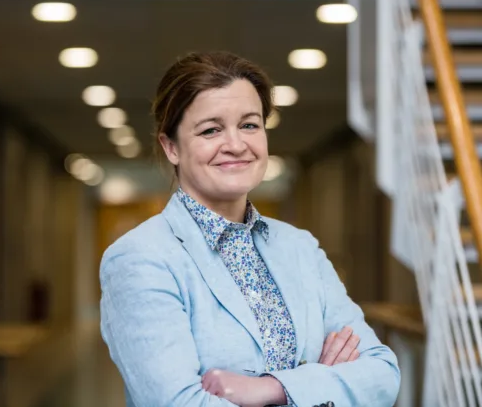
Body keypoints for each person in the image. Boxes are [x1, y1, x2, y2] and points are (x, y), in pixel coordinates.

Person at [99, 51, 400, 407]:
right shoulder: (141, 258)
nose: (237, 144)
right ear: (171, 147)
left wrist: (272, 388)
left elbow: (382, 374)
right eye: (211, 130)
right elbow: (181, 403)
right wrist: (324, 384)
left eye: (250, 125)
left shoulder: (300, 248)